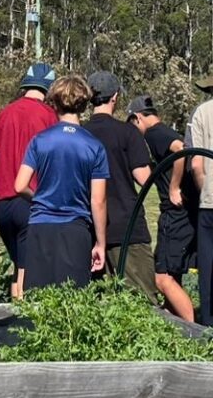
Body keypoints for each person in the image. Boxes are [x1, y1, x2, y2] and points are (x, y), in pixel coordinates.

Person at [15, 74, 109, 290]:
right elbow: (98, 200)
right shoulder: (94, 146)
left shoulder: (40, 140)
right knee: (72, 303)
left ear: (54, 103)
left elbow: (19, 186)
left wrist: (38, 198)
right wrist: (100, 244)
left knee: (38, 301)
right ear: (84, 105)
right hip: (75, 229)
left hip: (40, 226)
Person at [84, 71, 157, 302]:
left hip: (89, 229)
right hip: (127, 228)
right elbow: (144, 178)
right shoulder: (128, 133)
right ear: (115, 97)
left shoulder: (81, 132)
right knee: (142, 302)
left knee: (97, 306)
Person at [127, 95, 196, 322]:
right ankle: (175, 324)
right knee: (172, 276)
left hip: (174, 214)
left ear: (137, 118)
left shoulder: (154, 133)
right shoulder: (162, 130)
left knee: (162, 278)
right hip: (182, 214)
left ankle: (197, 333)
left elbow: (180, 150)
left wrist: (174, 187)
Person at [0, 63, 58, 298]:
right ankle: (24, 327)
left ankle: (13, 319)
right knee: (27, 271)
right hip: (30, 200)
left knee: (18, 264)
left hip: (2, 201)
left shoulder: (4, 113)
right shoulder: (49, 116)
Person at [190, 75, 213, 325]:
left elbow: (196, 162)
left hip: (208, 203)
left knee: (206, 269)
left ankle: (208, 326)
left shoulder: (202, 112)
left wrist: (204, 189)